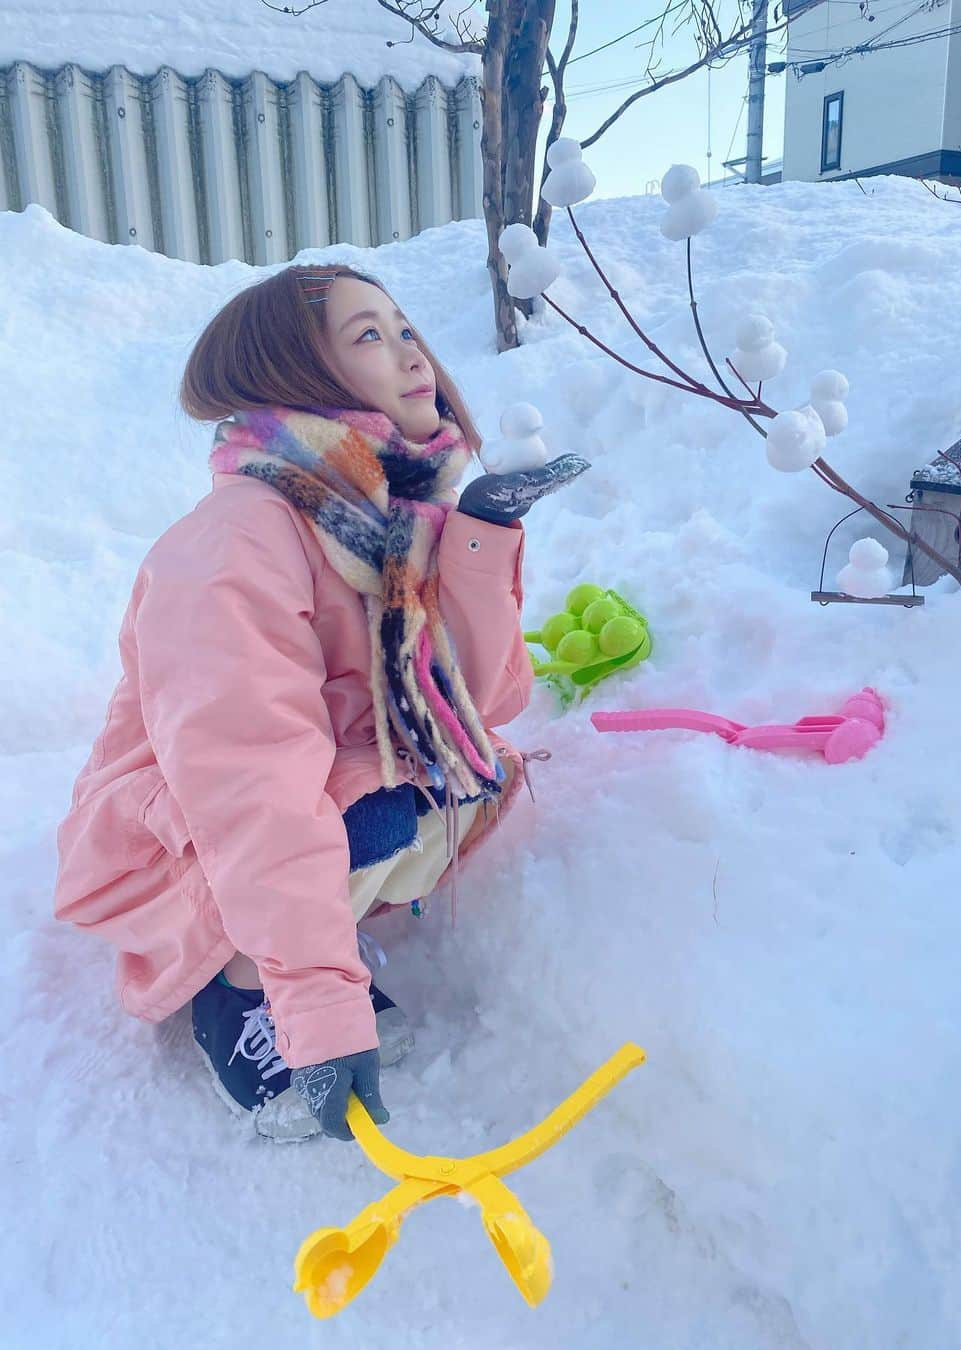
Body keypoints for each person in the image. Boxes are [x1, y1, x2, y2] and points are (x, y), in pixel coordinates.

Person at [53, 264, 587, 1142]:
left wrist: (483, 540)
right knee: (370, 818)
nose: (413, 353)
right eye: (368, 336)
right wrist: (322, 1018)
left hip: (300, 810)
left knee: (471, 777)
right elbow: (249, 788)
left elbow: (484, 702)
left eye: (405, 327)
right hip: (177, 838)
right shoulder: (234, 541)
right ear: (295, 375)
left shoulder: (393, 517)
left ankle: (301, 944)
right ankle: (243, 984)